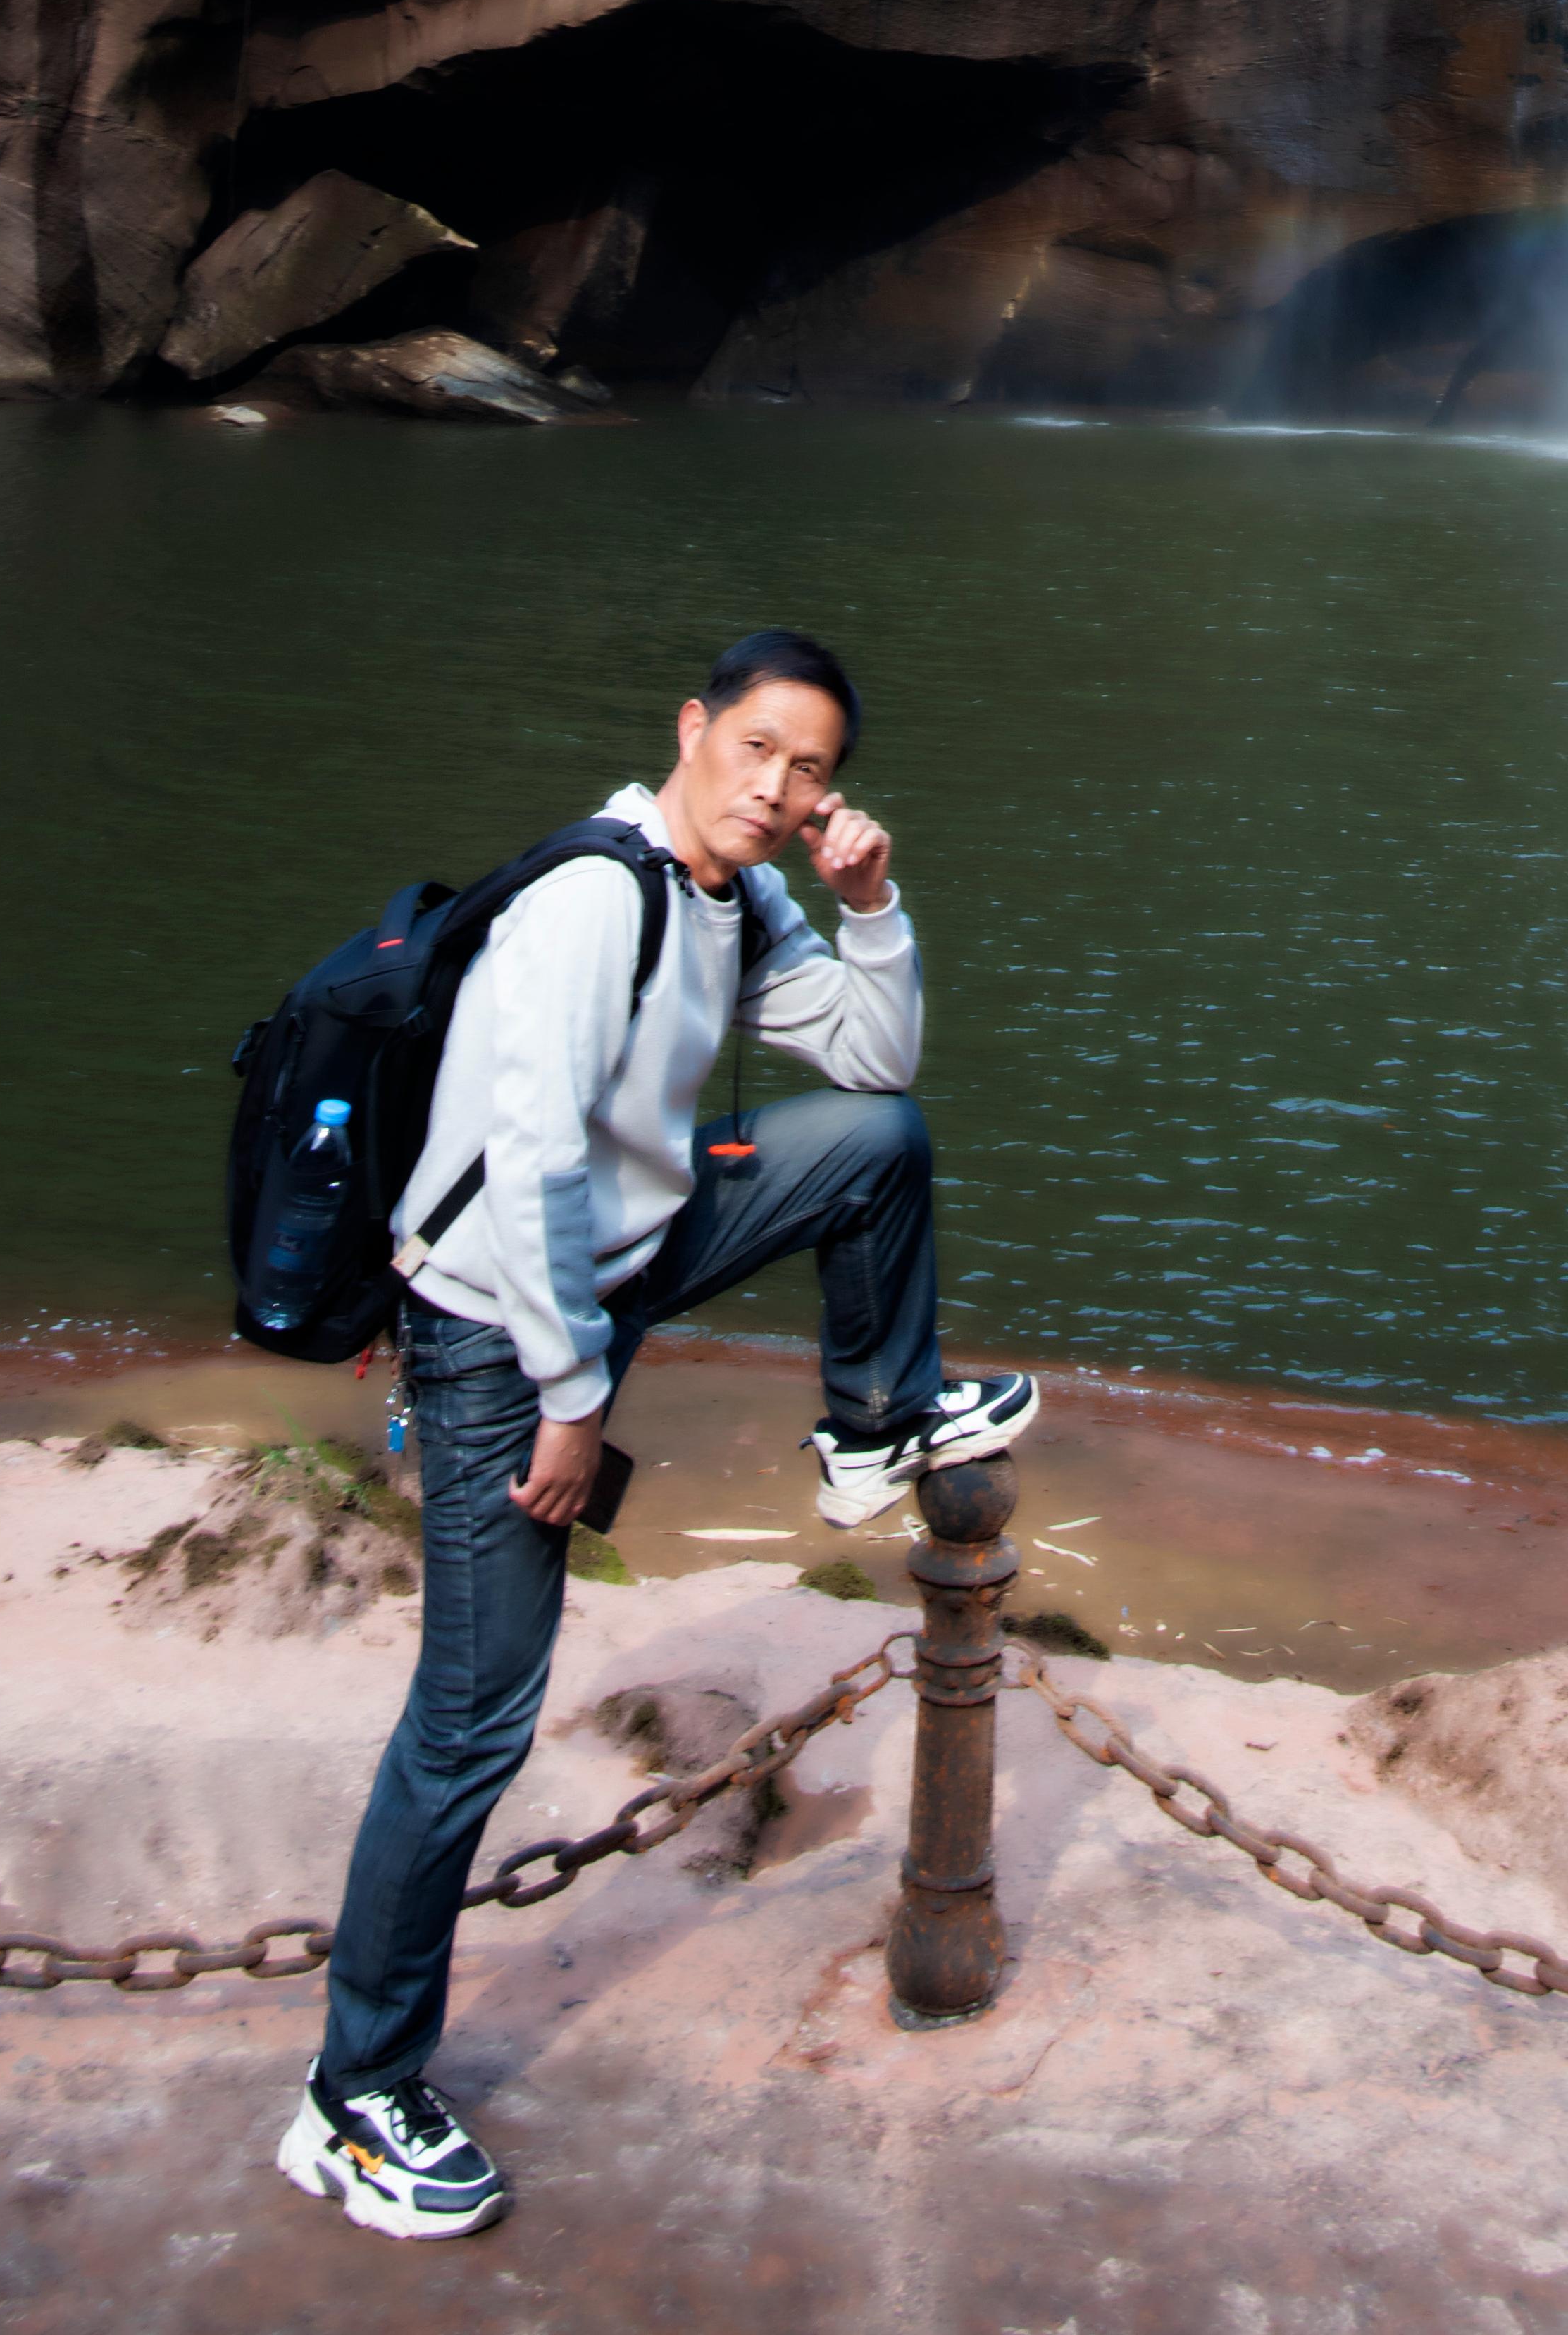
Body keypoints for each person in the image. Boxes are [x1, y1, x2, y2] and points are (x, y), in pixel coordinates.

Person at [275, 628, 1035, 2243]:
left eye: (813, 766)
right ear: (692, 730)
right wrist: (568, 1400)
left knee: (876, 1142)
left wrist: (874, 903)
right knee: (473, 1719)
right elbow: (538, 1159)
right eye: (757, 748)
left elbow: (873, 1058)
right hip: (496, 1325)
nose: (780, 787)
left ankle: (874, 1422)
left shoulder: (740, 889)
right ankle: (353, 2102)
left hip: (619, 1253)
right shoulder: (590, 897)